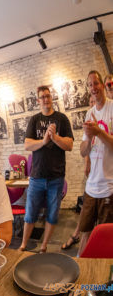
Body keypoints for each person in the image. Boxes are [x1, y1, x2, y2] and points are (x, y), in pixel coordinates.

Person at [18, 85, 74, 253]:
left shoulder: (62, 119)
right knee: (30, 214)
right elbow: (27, 145)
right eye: (42, 97)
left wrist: (54, 137)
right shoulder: (34, 120)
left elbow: (69, 145)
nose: (45, 99)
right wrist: (43, 141)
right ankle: (22, 245)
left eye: (48, 96)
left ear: (51, 98)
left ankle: (43, 247)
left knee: (52, 215)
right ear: (38, 100)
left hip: (56, 177)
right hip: (36, 177)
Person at [78, 70, 113, 255]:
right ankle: (81, 266)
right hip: (91, 186)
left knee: (107, 235)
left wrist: (99, 132)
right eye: (90, 85)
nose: (93, 88)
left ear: (102, 85)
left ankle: (105, 275)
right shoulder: (89, 114)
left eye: (96, 83)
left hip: (109, 185)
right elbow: (83, 151)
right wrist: (88, 139)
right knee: (85, 231)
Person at [61, 94, 96, 250]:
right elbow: (86, 145)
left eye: (95, 101)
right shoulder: (90, 121)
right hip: (95, 173)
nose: (92, 104)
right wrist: (87, 162)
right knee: (87, 207)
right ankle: (77, 236)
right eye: (90, 102)